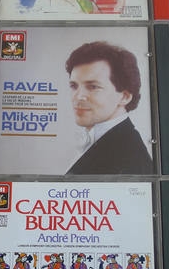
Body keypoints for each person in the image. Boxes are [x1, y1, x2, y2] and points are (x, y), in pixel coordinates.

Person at [65, 42, 153, 174]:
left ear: (124, 97)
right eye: (74, 86)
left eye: (93, 87)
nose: (78, 97)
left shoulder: (128, 156)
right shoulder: (110, 141)